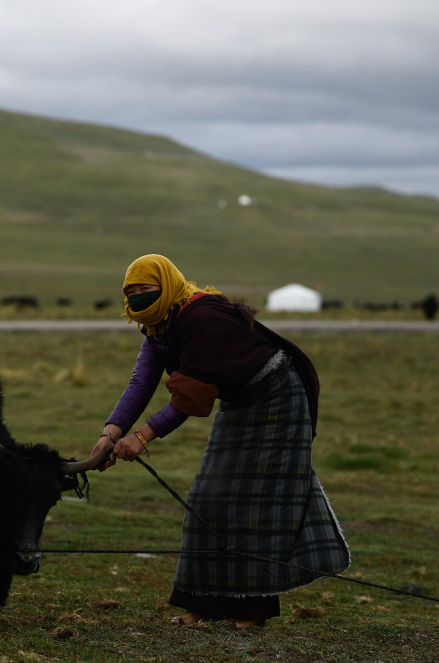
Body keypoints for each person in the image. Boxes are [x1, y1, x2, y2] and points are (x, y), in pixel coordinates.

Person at [89, 254, 349, 628]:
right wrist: (109, 433)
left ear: (167, 284)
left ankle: (250, 611)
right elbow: (141, 382)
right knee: (208, 498)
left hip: (279, 394)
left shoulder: (199, 317)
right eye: (131, 292)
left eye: (147, 289)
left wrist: (142, 437)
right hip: (240, 396)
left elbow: (189, 400)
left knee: (254, 503)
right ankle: (203, 606)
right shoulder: (158, 326)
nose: (138, 297)